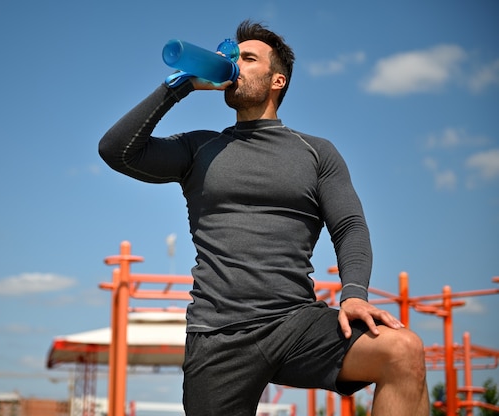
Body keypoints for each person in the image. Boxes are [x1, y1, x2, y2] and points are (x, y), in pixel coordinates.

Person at [99, 20, 429, 416]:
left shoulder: (316, 152)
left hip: (295, 322)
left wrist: (354, 294)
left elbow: (349, 226)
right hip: (218, 334)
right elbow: (116, 150)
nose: (233, 64)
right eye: (231, 57)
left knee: (402, 350)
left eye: (247, 58)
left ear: (278, 80)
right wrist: (179, 87)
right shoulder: (198, 148)